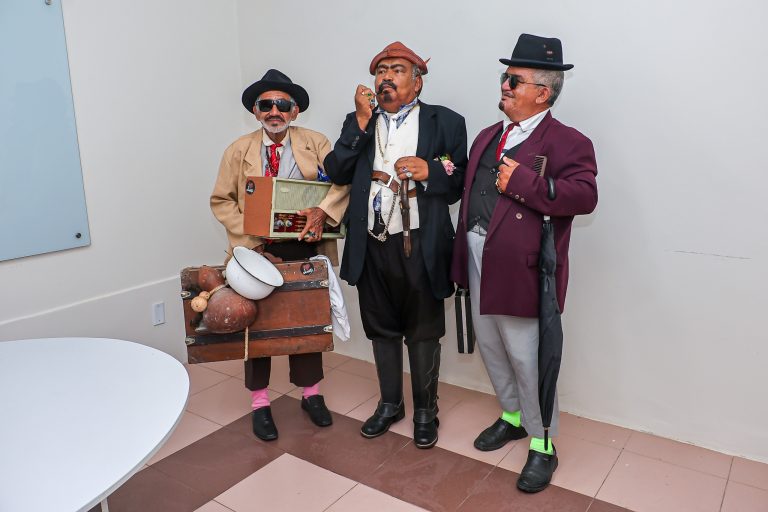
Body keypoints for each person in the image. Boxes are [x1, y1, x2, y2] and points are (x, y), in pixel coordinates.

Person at [450, 34, 598, 492]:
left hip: (524, 269)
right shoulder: (488, 136)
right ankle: (512, 417)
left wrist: (527, 184)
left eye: (514, 80)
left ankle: (543, 443)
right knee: (492, 346)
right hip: (477, 256)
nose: (505, 85)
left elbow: (585, 196)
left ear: (543, 92)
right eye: (505, 77)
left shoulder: (569, 142)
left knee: (528, 357)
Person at [324, 42, 467, 449]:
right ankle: (390, 405)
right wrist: (359, 123)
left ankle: (425, 411)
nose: (386, 76)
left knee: (423, 330)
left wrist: (431, 171)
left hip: (421, 243)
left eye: (397, 69)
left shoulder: (446, 121)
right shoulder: (359, 122)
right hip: (371, 243)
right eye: (381, 70)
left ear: (417, 82)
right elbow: (336, 170)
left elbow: (459, 180)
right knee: (381, 328)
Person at [210, 69, 350, 441]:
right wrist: (248, 241)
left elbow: (342, 183)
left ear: (295, 111)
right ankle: (260, 404)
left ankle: (311, 395)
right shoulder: (237, 150)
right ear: (255, 111)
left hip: (303, 244)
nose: (275, 111)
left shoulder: (316, 142)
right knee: (256, 325)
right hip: (253, 251)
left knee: (306, 320)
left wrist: (323, 213)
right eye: (266, 104)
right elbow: (221, 200)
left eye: (283, 104)